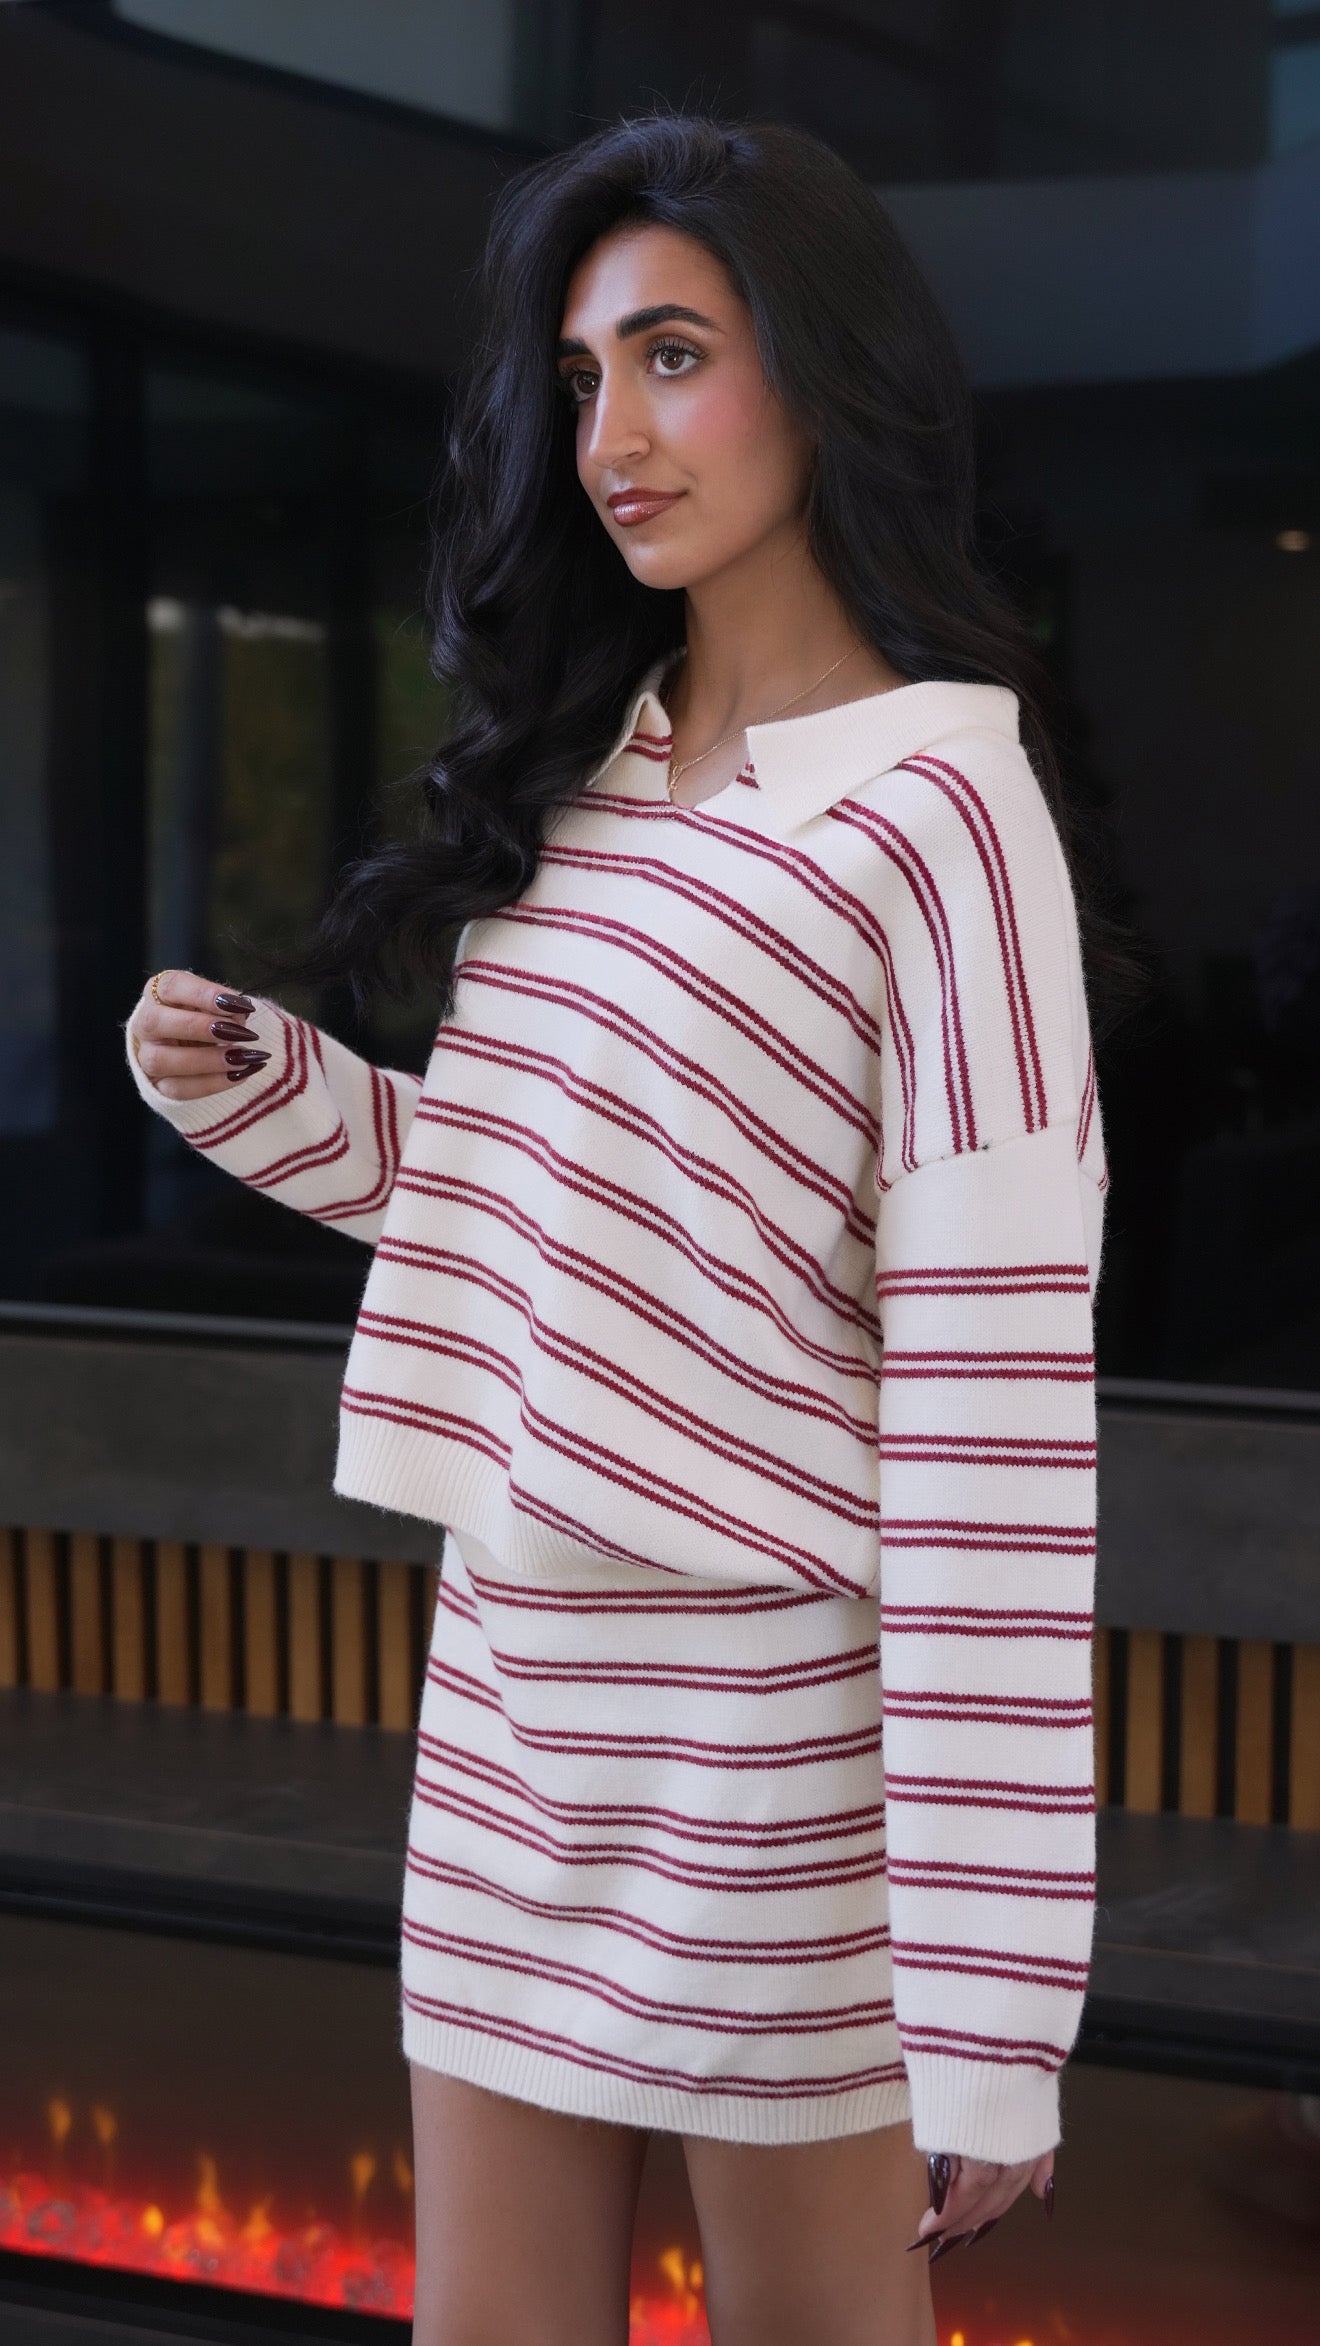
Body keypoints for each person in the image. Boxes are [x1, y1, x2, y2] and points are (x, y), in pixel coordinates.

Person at [125, 111, 1113, 2346]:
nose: (611, 439)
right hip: (509, 1709)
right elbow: (553, 1225)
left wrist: (991, 2005)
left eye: (674, 356)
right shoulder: (592, 779)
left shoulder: (946, 818)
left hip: (771, 1752)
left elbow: (993, 1425)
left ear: (822, 373)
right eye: (582, 378)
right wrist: (281, 1096)